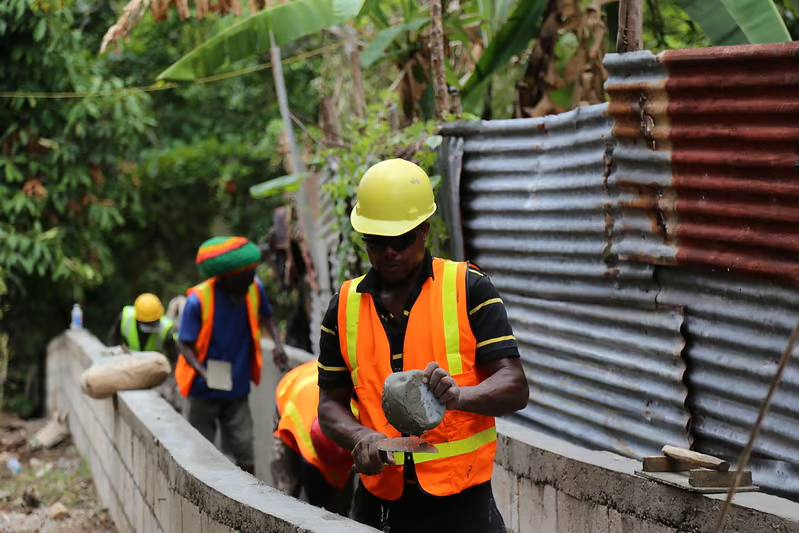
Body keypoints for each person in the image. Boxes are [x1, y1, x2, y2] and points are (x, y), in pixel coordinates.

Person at [317, 159, 530, 533]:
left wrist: (459, 397)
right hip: (379, 502)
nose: (389, 252)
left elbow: (514, 385)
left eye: (401, 240)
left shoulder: (468, 288)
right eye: (377, 241)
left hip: (462, 503)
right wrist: (362, 437)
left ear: (425, 231)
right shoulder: (344, 306)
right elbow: (330, 404)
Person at [176, 236, 287, 476]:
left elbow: (267, 316)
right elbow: (183, 343)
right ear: (227, 277)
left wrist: (278, 344)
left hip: (236, 384)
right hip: (203, 387)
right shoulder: (199, 300)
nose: (253, 278)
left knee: (244, 448)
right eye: (247, 274)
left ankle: (250, 498)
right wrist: (203, 372)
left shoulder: (254, 288)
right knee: (200, 448)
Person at [271, 360, 354, 515]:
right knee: (285, 492)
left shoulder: (357, 416)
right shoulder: (307, 439)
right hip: (290, 394)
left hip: (317, 385)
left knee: (340, 505)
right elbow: (313, 481)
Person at [106, 293, 178, 358]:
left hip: (154, 366)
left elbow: (174, 356)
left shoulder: (166, 328)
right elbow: (112, 340)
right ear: (137, 318)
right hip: (129, 361)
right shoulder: (125, 317)